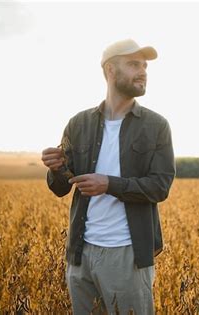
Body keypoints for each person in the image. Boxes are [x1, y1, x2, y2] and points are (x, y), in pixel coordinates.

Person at [41, 39, 175, 314]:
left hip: (127, 253)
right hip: (80, 253)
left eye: (145, 66)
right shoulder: (78, 123)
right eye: (134, 64)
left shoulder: (156, 126)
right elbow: (61, 187)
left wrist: (109, 184)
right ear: (110, 70)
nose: (143, 72)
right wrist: (55, 168)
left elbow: (160, 187)